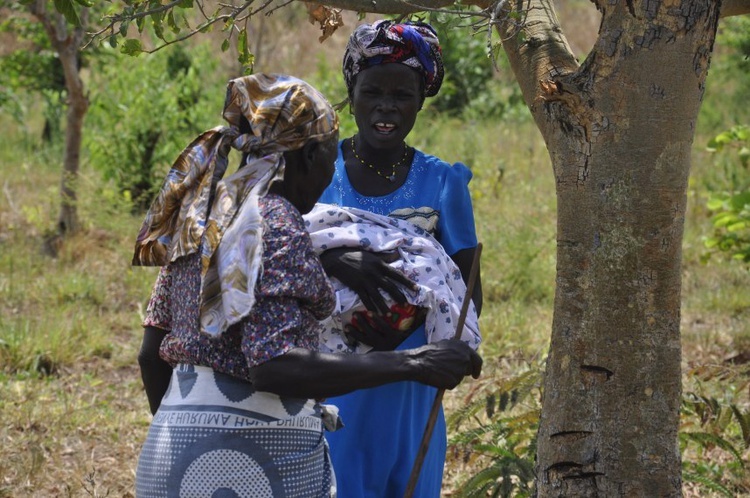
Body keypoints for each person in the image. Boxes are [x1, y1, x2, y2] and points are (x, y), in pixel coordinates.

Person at [132, 73, 482, 498]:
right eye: (330, 156)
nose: (333, 169)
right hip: (251, 465)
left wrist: (190, 432)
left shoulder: (201, 216)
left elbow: (152, 354)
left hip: (167, 454)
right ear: (311, 154)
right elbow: (274, 367)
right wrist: (416, 364)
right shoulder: (277, 222)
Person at [314, 20, 484, 497]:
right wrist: (337, 261)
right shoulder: (318, 172)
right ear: (352, 91)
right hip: (330, 375)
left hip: (412, 381)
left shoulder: (443, 184)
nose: (386, 107)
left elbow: (469, 295)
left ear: (421, 99)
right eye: (372, 92)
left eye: (402, 95)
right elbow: (278, 253)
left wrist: (405, 329)